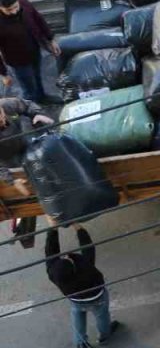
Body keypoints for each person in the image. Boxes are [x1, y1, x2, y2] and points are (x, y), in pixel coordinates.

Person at [45, 218, 122, 348]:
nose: (67, 256)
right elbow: (88, 246)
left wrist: (53, 228)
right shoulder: (86, 267)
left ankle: (81, 344)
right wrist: (77, 226)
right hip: (97, 297)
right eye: (69, 260)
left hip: (76, 300)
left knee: (78, 316)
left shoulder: (54, 274)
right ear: (74, 268)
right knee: (102, 316)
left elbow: (50, 251)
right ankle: (105, 336)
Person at [0, 0, 59, 103]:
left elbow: (39, 19)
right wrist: (4, 74)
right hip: (17, 60)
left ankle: (42, 97)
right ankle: (32, 111)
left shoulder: (24, 3)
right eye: (9, 10)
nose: (14, 12)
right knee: (28, 88)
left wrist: (50, 40)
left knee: (37, 77)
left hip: (34, 50)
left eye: (15, 7)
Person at [0, 96, 55, 186]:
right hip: (6, 159)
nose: (2, 121)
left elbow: (27, 105)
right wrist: (11, 181)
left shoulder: (7, 104)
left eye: (1, 116)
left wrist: (37, 114)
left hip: (22, 142)